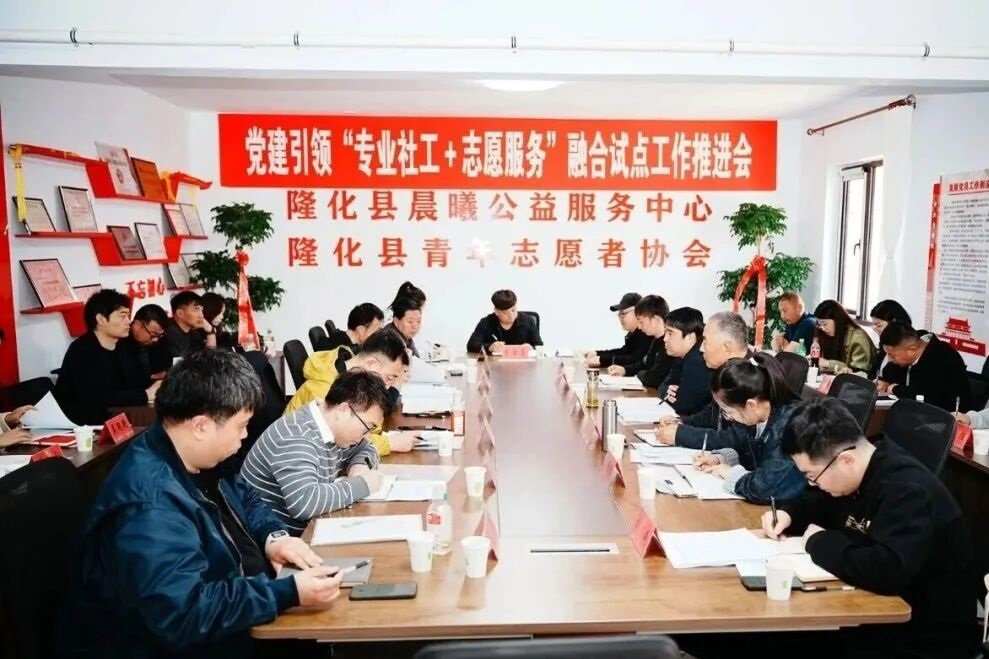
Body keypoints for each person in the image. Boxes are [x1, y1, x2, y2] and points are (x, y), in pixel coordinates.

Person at [56, 350, 343, 658]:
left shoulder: (197, 455)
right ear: (201, 426)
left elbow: (247, 497)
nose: (245, 435)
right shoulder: (150, 505)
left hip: (232, 607)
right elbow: (183, 613)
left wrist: (274, 538)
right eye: (241, 425)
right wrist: (286, 592)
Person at [764, 397, 977, 659]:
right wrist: (788, 514)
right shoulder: (861, 466)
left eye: (812, 476)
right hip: (874, 615)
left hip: (923, 636)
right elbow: (821, 501)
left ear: (846, 459)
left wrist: (818, 543)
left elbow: (885, 570)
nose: (813, 484)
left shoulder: (908, 491)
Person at [242, 370, 392, 535]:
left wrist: (359, 466)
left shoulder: (334, 430)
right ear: (343, 410)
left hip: (310, 531)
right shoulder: (296, 436)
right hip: (280, 540)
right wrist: (363, 484)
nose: (366, 435)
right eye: (367, 427)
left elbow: (367, 448)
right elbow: (304, 503)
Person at [691, 354, 806, 503]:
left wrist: (730, 474)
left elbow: (764, 488)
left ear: (751, 405)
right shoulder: (760, 415)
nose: (729, 418)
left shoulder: (790, 426)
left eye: (728, 411)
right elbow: (749, 450)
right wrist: (721, 459)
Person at [283, 330, 414, 456]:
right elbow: (339, 445)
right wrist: (388, 444)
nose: (387, 386)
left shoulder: (351, 380)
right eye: (389, 378)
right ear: (371, 364)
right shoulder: (325, 391)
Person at [53, 290, 160, 425]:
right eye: (122, 316)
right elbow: (97, 398)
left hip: (117, 419)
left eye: (128, 316)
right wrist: (145, 394)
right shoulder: (82, 350)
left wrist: (159, 387)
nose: (129, 322)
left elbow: (137, 382)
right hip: (82, 425)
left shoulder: (124, 346)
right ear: (101, 319)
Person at [655, 311, 751, 447]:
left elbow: (734, 439)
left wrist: (680, 435)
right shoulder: (726, 370)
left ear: (726, 347)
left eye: (705, 342)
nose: (700, 349)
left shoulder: (750, 377)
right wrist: (681, 422)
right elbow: (711, 414)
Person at [876, 322, 971, 412]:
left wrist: (895, 389)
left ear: (911, 350)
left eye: (892, 355)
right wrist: (885, 381)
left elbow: (927, 397)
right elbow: (891, 370)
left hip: (944, 416)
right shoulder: (910, 350)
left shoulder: (943, 358)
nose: (889, 359)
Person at [608, 294, 674, 388]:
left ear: (655, 320)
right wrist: (624, 370)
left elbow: (653, 378)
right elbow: (644, 364)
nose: (639, 326)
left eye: (641, 321)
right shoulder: (655, 340)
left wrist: (639, 374)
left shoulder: (669, 343)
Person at [658, 307, 711, 416]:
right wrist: (667, 391)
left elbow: (682, 406)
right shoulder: (680, 356)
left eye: (670, 333)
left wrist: (670, 395)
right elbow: (664, 385)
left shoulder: (698, 361)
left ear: (690, 337)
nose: (665, 339)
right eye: (665, 333)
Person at [585, 292, 650, 369]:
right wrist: (597, 353)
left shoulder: (647, 333)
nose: (620, 318)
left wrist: (601, 359)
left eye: (623, 313)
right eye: (619, 315)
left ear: (638, 312)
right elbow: (623, 352)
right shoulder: (633, 334)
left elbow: (635, 359)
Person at [466, 289, 543, 354]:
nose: (511, 315)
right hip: (495, 364)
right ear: (496, 312)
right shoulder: (486, 322)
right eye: (505, 313)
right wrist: (489, 347)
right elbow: (471, 346)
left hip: (522, 363)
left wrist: (531, 348)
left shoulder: (528, 321)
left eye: (513, 310)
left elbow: (539, 345)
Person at [812, 299, 876, 373]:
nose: (822, 328)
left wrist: (828, 364)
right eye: (820, 324)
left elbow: (857, 371)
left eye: (825, 324)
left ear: (837, 320)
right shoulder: (831, 334)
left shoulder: (858, 337)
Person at [120, 303, 172, 382]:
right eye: (153, 334)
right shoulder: (120, 344)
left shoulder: (159, 342)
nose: (155, 340)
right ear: (137, 325)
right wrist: (151, 377)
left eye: (159, 336)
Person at [868, 299, 913, 380]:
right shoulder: (884, 345)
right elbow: (873, 373)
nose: (876, 330)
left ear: (894, 322)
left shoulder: (906, 347)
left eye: (879, 326)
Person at [165, 291, 217, 359]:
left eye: (201, 310)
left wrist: (210, 331)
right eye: (196, 309)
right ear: (180, 313)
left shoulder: (193, 333)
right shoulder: (169, 333)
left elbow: (209, 357)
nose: (201, 315)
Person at [316, 302, 384, 352]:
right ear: (361, 330)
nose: (380, 336)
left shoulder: (341, 340)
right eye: (378, 331)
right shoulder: (344, 354)